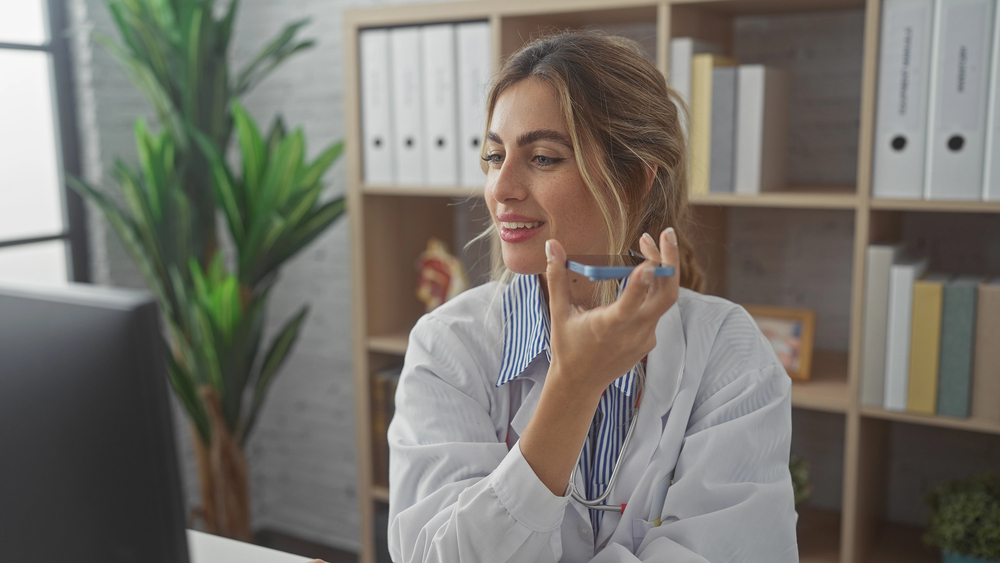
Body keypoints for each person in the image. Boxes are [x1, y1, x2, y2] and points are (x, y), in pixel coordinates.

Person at [387, 31, 798, 562]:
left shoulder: (728, 350)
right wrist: (572, 389)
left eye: (541, 158)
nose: (501, 187)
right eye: (494, 155)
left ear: (635, 179)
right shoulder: (448, 348)